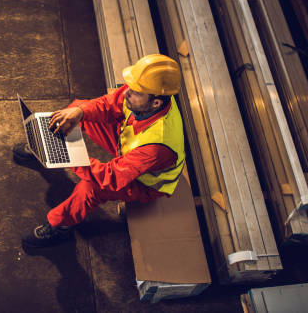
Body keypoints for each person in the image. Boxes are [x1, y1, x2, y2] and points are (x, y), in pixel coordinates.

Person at [15, 54, 186, 248]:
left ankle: (60, 226)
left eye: (136, 92)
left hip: (143, 183)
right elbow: (108, 104)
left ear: (155, 103)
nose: (127, 92)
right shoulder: (146, 96)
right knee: (77, 111)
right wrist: (80, 112)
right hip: (127, 149)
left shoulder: (157, 145)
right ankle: (43, 145)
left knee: (91, 189)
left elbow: (111, 177)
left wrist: (69, 157)